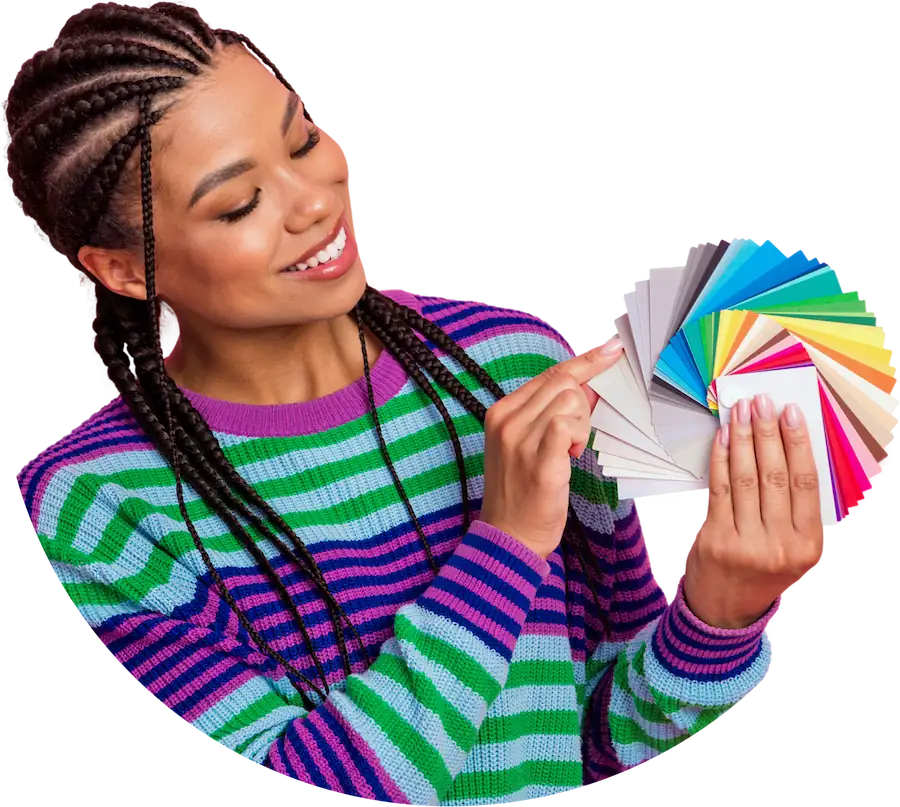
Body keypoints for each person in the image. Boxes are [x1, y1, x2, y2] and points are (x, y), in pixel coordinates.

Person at [4, 2, 826, 804]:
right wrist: (503, 543)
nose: (316, 199)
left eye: (303, 136)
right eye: (238, 203)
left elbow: (601, 740)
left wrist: (721, 609)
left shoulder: (512, 364)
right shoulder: (92, 507)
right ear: (127, 271)